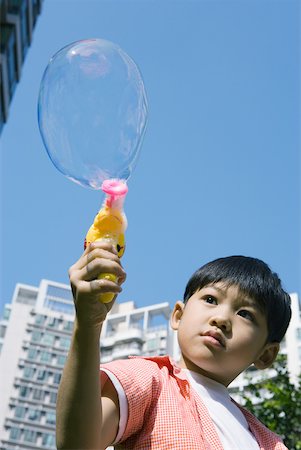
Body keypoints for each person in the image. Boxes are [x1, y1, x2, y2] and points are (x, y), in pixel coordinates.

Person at [56, 241, 291, 450]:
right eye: (210, 299)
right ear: (178, 315)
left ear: (266, 355)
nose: (221, 319)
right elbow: (78, 444)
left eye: (245, 314)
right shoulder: (149, 380)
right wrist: (88, 325)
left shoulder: (270, 443)